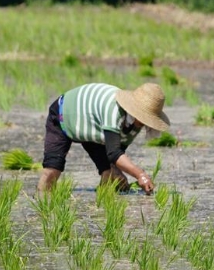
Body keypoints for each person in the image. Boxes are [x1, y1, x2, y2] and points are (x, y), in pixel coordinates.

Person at [37, 82, 170, 195]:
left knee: (109, 173)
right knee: (53, 169)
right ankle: (41, 198)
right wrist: (140, 175)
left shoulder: (136, 123)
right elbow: (114, 153)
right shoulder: (114, 110)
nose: (145, 123)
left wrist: (117, 171)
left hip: (94, 127)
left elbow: (117, 150)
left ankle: (101, 204)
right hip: (65, 114)